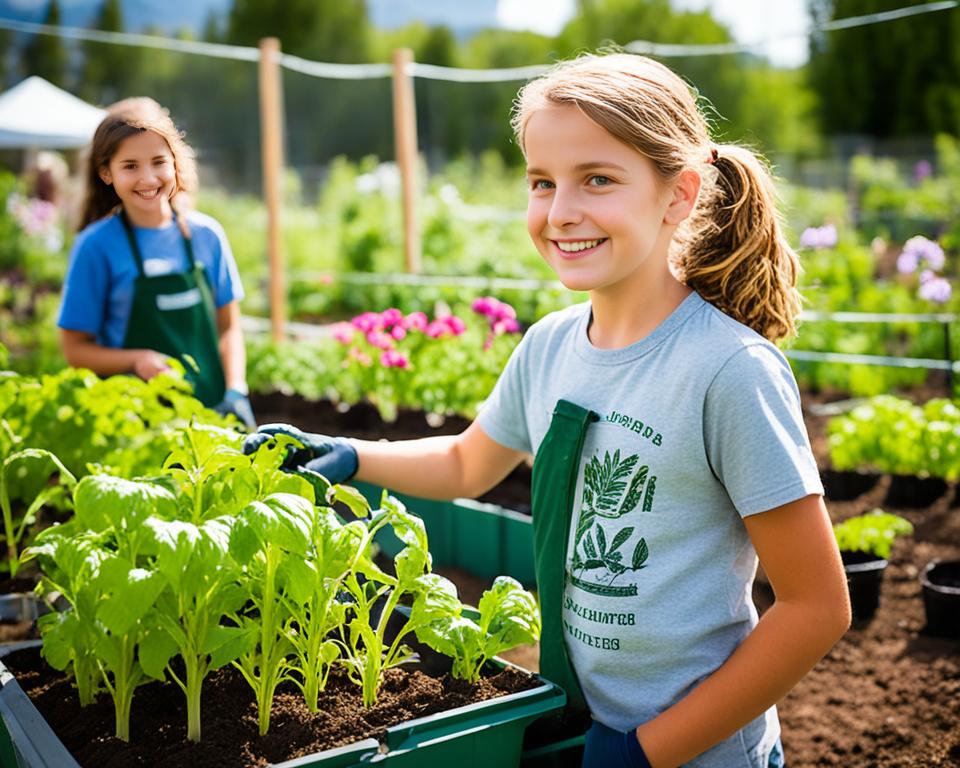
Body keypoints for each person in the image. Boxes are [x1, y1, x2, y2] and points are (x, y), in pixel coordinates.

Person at [245, 53, 851, 767]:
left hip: (695, 754)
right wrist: (349, 454)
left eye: (597, 179)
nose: (561, 212)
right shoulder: (550, 346)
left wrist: (648, 751)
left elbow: (817, 608)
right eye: (542, 182)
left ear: (678, 194)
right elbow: (468, 462)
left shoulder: (727, 372)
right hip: (585, 729)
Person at [58, 97, 254, 428]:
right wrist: (138, 359)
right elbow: (75, 350)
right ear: (106, 173)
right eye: (130, 166)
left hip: (211, 417)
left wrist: (236, 389)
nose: (148, 179)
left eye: (158, 162)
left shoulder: (207, 235)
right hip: (132, 423)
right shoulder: (96, 247)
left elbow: (228, 327)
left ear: (175, 163)